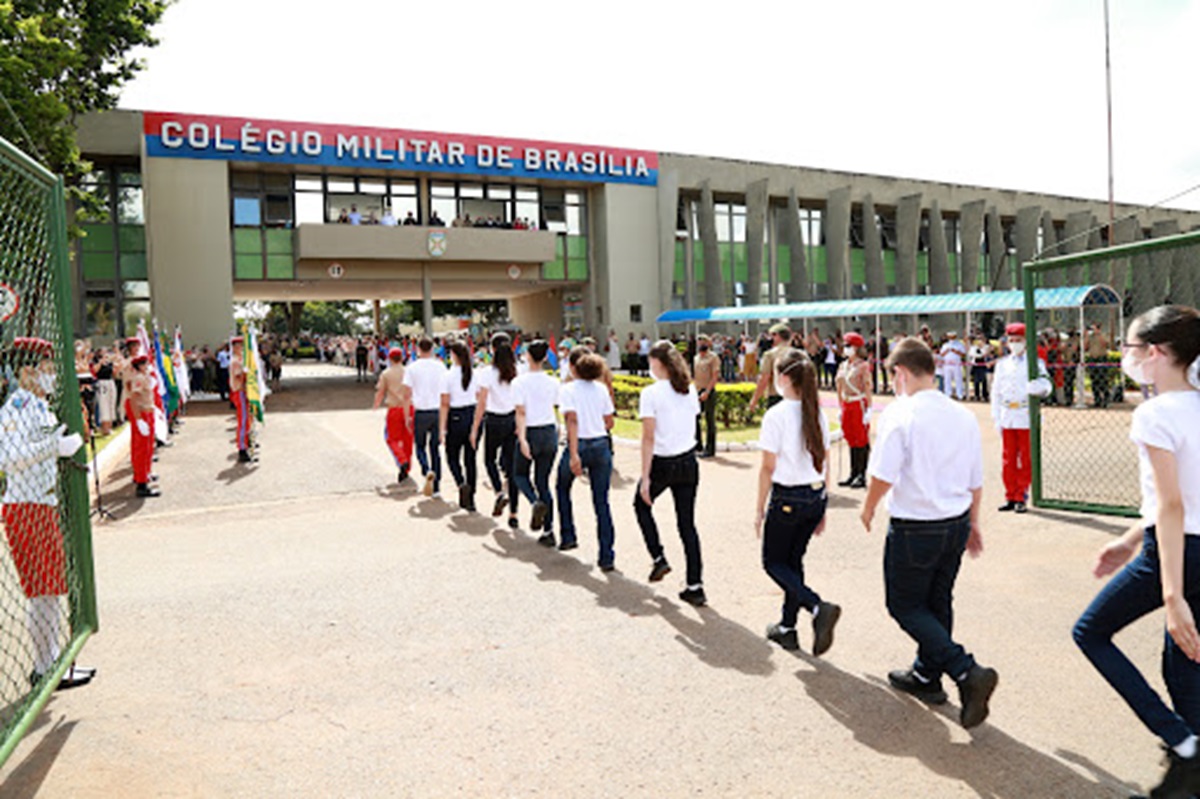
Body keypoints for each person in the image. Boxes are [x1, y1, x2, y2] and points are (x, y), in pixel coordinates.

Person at [1071, 305, 1200, 799]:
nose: (1126, 356)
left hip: (1175, 551)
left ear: (1157, 352)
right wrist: (1127, 540)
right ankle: (1188, 771)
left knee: (1091, 632)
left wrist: (1171, 594)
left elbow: (1171, 505)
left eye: (1129, 347)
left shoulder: (1154, 413)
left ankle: (1183, 743)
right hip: (1188, 546)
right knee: (1185, 660)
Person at [860, 337, 996, 730]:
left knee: (904, 605)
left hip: (916, 525)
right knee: (938, 600)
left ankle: (964, 669)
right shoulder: (963, 414)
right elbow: (976, 479)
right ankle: (927, 675)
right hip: (954, 521)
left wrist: (868, 507)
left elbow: (884, 472)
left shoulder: (901, 413)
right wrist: (973, 522)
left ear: (900, 373)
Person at [0, 337, 96, 690]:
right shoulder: (15, 408)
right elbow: (6, 458)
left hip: (41, 504)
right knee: (43, 593)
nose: (53, 376)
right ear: (28, 371)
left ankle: (52, 662)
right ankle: (46, 667)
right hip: (26, 507)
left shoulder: (38, 406)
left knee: (50, 591)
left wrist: (55, 443)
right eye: (48, 369)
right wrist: (52, 447)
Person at [756, 347, 840, 654]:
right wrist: (824, 502)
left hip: (788, 496)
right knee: (792, 562)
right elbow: (824, 460)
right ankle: (787, 627)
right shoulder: (814, 410)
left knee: (773, 562)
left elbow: (767, 468)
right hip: (813, 495)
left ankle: (817, 606)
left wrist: (758, 508)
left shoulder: (776, 414)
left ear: (786, 377)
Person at [636, 341, 705, 606]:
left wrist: (645, 476)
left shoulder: (651, 393)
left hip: (663, 463)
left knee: (640, 505)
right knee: (687, 524)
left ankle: (658, 557)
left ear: (658, 364)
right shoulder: (687, 390)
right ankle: (695, 584)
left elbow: (648, 438)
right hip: (688, 461)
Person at [556, 348, 616, 568]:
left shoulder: (568, 390)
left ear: (573, 367)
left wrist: (573, 455)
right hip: (600, 443)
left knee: (562, 488)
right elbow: (609, 421)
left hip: (579, 443)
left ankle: (568, 534)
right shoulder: (600, 389)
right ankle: (607, 555)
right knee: (601, 501)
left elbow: (572, 421)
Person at [990, 322, 1051, 513]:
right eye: (1011, 340)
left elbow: (1047, 384)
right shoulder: (1002, 365)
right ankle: (1010, 495)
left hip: (1025, 415)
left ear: (1025, 342)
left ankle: (1021, 496)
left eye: (1018, 340)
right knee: (1008, 459)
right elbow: (996, 392)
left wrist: (1039, 387)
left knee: (1026, 458)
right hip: (1008, 414)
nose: (1014, 344)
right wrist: (997, 418)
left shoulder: (1034, 362)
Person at [513, 340, 560, 546]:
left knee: (519, 474)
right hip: (549, 430)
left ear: (528, 357)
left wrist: (522, 439)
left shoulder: (520, 382)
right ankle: (549, 530)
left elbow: (521, 412)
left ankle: (534, 502)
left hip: (530, 430)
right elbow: (557, 407)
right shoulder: (552, 381)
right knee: (543, 481)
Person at [472, 333, 519, 528]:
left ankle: (499, 492)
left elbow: (481, 402)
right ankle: (514, 514)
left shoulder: (487, 373)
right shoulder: (519, 370)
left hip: (493, 420)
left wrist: (475, 428)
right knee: (511, 468)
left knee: (489, 459)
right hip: (513, 420)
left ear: (492, 349)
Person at [440, 341, 480, 511]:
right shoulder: (475, 374)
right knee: (470, 458)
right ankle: (471, 496)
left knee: (452, 456)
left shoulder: (448, 376)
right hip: (472, 414)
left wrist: (442, 428)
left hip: (455, 416)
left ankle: (460, 482)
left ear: (454, 355)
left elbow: (444, 403)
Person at [405, 337, 446, 497]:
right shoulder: (441, 366)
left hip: (420, 411)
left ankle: (425, 468)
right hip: (436, 410)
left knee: (420, 445)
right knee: (435, 448)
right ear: (433, 348)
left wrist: (408, 414)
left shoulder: (412, 367)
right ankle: (436, 487)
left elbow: (407, 394)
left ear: (418, 349)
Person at [835, 331, 873, 488]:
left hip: (858, 404)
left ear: (856, 347)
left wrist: (869, 409)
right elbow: (839, 386)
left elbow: (867, 387)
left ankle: (861, 475)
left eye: (848, 345)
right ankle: (852, 473)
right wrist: (840, 407)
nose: (845, 348)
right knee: (850, 438)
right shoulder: (843, 365)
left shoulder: (863, 366)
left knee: (861, 439)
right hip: (847, 404)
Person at [373, 347, 413, 484]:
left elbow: (380, 391)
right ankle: (407, 468)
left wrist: (376, 404)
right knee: (408, 439)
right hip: (409, 408)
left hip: (394, 409)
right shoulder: (409, 372)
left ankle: (402, 460)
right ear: (402, 358)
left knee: (392, 439)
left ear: (389, 359)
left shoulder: (386, 374)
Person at [749, 323, 791, 412]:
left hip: (776, 396)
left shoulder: (770, 355)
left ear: (777, 336)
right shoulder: (799, 354)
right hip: (795, 397)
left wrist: (754, 400)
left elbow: (764, 378)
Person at [693, 334, 720, 458]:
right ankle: (697, 445)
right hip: (697, 390)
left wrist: (707, 392)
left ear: (708, 343)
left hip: (708, 391)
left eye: (703, 341)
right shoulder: (696, 358)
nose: (700, 343)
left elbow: (715, 376)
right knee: (695, 418)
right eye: (699, 341)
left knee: (709, 420)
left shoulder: (713, 357)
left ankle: (710, 449)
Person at [229, 337, 255, 464]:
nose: (242, 348)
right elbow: (240, 376)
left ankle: (246, 444)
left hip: (244, 393)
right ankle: (242, 449)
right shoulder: (236, 361)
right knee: (243, 420)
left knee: (247, 419)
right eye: (240, 346)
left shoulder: (241, 360)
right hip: (240, 392)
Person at [1085, 323, 1111, 408]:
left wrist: (1098, 333)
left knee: (1103, 380)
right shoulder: (1090, 336)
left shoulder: (1103, 335)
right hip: (1093, 359)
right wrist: (1086, 336)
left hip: (1101, 358)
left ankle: (1106, 399)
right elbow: (1085, 347)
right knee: (1094, 381)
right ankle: (1097, 400)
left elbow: (1105, 344)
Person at [939, 331, 967, 400]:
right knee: (947, 379)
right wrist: (947, 351)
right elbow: (941, 354)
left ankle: (959, 394)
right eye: (950, 336)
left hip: (956, 364)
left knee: (958, 379)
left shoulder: (959, 344)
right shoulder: (945, 345)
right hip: (947, 364)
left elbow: (963, 354)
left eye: (953, 336)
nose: (951, 338)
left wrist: (956, 351)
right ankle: (948, 394)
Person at [968, 336, 991, 402]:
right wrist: (979, 353)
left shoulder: (986, 347)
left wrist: (981, 353)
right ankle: (976, 395)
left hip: (984, 366)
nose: (980, 342)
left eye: (981, 340)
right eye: (978, 340)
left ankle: (985, 395)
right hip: (976, 366)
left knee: (984, 382)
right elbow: (972, 354)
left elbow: (984, 354)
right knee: (976, 382)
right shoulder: (973, 348)